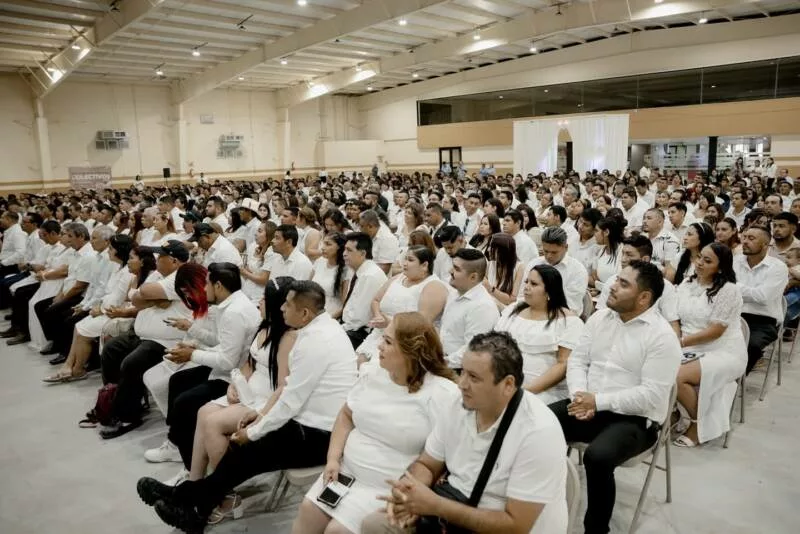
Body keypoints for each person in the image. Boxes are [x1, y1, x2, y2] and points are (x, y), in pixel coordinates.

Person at [137, 281, 358, 532]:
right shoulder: (319, 329)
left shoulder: (316, 341)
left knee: (247, 449)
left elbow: (289, 399)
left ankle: (187, 499)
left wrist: (253, 431)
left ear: (305, 312)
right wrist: (259, 416)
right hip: (307, 421)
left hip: (320, 433)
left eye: (288, 304)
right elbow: (290, 391)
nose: (282, 308)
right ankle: (193, 505)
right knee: (240, 451)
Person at [363, 331, 568, 534]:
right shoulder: (459, 403)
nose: (461, 384)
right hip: (451, 510)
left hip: (495, 525)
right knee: (375, 525)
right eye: (462, 372)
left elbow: (516, 526)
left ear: (507, 384)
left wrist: (435, 505)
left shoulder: (538, 432)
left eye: (474, 378)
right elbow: (427, 464)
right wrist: (409, 492)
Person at [292, 312, 460, 534]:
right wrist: (333, 458)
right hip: (346, 472)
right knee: (308, 510)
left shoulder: (441, 394)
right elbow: (345, 415)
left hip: (386, 486)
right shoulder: (373, 373)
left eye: (388, 342)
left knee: (337, 530)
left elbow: (443, 457)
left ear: (411, 351)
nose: (379, 345)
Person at [550, 261, 681, 534]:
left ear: (643, 297)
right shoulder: (600, 318)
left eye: (623, 284)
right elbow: (578, 361)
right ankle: (541, 504)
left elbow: (651, 395)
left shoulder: (662, 337)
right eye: (616, 279)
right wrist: (579, 396)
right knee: (539, 423)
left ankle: (596, 530)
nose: (612, 286)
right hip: (588, 403)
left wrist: (597, 402)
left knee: (598, 457)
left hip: (635, 420)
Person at [146, 262, 261, 482]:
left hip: (232, 378)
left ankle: (191, 468)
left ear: (218, 286)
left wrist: (192, 355)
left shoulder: (234, 312)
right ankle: (176, 443)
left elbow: (227, 361)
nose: (204, 288)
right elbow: (221, 342)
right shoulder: (231, 305)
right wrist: (194, 341)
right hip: (227, 369)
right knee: (178, 380)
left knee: (184, 404)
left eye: (207, 283)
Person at [97, 240, 192, 438]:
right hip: (143, 334)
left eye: (161, 256)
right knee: (111, 349)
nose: (156, 259)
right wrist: (154, 300)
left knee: (132, 363)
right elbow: (136, 298)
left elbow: (143, 293)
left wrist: (148, 297)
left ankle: (127, 416)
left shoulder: (183, 276)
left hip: (166, 340)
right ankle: (116, 399)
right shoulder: (158, 275)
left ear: (174, 261)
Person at [673, 243, 746, 447]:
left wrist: (680, 342)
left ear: (720, 268)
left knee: (676, 375)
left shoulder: (729, 290)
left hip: (721, 350)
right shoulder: (687, 283)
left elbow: (715, 332)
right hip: (686, 344)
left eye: (707, 261)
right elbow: (674, 316)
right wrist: (675, 338)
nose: (699, 263)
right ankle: (673, 414)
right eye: (700, 258)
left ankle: (698, 424)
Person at [43, 235, 135, 382]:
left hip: (117, 312)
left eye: (111, 248)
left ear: (119, 251)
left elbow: (117, 299)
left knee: (84, 329)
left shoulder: (127, 272)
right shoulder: (117, 268)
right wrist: (95, 306)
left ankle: (77, 369)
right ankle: (70, 365)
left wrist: (100, 309)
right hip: (107, 308)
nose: (108, 251)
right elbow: (105, 292)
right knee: (79, 325)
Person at [495, 264, 583, 405]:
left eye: (534, 284)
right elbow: (494, 347)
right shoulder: (513, 310)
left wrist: (524, 391)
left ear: (549, 291)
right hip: (504, 380)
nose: (527, 287)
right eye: (527, 282)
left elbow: (563, 364)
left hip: (544, 390)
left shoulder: (570, 322)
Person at [355, 246, 448, 364]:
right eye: (405, 259)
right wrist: (378, 315)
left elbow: (422, 324)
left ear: (424, 265)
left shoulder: (434, 286)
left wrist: (389, 323)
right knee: (359, 362)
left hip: (407, 341)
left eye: (410, 260)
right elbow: (376, 300)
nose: (404, 263)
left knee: (374, 367)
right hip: (380, 333)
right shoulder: (398, 278)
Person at [596, 235, 681, 337]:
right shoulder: (612, 281)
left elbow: (673, 325)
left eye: (629, 255)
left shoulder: (665, 287)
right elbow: (599, 316)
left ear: (645, 259)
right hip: (613, 335)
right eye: (622, 253)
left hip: (649, 338)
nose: (623, 259)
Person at [734, 226, 789, 373]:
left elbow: (763, 297)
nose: (745, 241)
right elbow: (723, 288)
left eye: (751, 238)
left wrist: (735, 287)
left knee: (750, 346)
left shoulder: (778, 267)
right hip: (733, 314)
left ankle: (733, 381)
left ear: (765, 244)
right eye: (744, 237)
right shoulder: (735, 261)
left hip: (763, 320)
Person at [439, 249, 500, 369]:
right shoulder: (454, 293)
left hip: (461, 370)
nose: (450, 271)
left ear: (473, 277)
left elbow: (473, 349)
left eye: (457, 269)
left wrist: (441, 364)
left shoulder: (482, 307)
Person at [519, 227, 588, 314]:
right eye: (546, 251)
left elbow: (571, 306)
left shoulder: (577, 271)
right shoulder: (534, 264)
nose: (549, 256)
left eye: (554, 252)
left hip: (562, 316)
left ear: (566, 247)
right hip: (531, 312)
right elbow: (522, 296)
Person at [341, 232, 388, 348]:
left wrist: (338, 329)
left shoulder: (370, 275)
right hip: (350, 327)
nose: (344, 254)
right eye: (344, 249)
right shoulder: (360, 270)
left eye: (349, 250)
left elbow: (359, 319)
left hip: (360, 333)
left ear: (362, 253)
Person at [311, 231, 350, 317]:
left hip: (331, 313)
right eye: (323, 243)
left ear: (339, 247)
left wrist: (330, 318)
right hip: (313, 309)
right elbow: (308, 287)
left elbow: (345, 305)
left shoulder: (346, 270)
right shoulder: (319, 261)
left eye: (328, 244)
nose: (322, 248)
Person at [484, 233, 525, 307]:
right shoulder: (490, 264)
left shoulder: (519, 267)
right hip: (488, 305)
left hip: (505, 309)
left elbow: (511, 300)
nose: (488, 249)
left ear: (503, 250)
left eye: (492, 247)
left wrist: (490, 288)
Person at [360, 209, 400, 274]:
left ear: (370, 226)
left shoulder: (387, 239)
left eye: (362, 226)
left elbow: (384, 269)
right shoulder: (372, 232)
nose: (360, 229)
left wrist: (361, 268)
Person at [590, 216, 624, 290]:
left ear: (606, 232)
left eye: (596, 231)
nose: (594, 234)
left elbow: (619, 285)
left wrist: (598, 286)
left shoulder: (623, 252)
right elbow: (594, 274)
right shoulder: (601, 250)